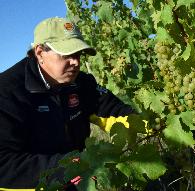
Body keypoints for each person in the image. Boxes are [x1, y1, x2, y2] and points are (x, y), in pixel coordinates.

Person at [0, 17, 134, 189]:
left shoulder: (82, 83)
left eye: (78, 54)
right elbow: (3, 165)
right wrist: (66, 167)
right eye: (67, 54)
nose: (76, 62)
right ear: (40, 52)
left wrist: (147, 123)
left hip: (76, 176)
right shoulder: (7, 92)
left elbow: (113, 110)